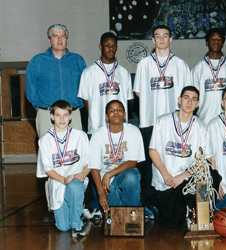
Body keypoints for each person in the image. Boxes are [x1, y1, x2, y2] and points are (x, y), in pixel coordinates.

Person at [134, 24, 192, 208]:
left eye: (165, 36)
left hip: (174, 122)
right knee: (152, 162)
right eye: (157, 36)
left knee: (173, 159)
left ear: (170, 39)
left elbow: (187, 93)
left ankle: (175, 198)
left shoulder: (180, 64)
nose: (161, 39)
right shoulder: (144, 64)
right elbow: (138, 93)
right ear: (153, 40)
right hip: (150, 121)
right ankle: (152, 201)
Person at [149, 86, 212, 228]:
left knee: (210, 174)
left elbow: (205, 160)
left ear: (198, 104)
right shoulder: (162, 121)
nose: (189, 102)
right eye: (186, 98)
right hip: (166, 179)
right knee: (172, 223)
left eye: (194, 99)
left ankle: (195, 212)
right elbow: (153, 151)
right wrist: (166, 175)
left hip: (188, 178)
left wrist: (183, 176)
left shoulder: (201, 127)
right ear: (179, 100)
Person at [36, 100, 90, 237]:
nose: (62, 119)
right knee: (63, 227)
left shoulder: (80, 136)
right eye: (58, 115)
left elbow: (90, 162)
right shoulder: (44, 140)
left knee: (75, 186)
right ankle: (78, 211)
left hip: (77, 180)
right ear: (52, 116)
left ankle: (77, 225)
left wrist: (83, 174)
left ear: (71, 116)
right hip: (58, 182)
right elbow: (47, 169)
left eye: (65, 115)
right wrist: (64, 179)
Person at [26, 24, 86, 137]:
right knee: (49, 153)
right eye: (55, 36)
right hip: (47, 115)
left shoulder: (78, 60)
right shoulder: (37, 61)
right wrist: (42, 109)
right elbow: (31, 91)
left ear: (67, 40)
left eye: (63, 36)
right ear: (49, 40)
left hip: (73, 115)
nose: (59, 39)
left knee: (75, 152)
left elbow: (86, 88)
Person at [89, 100, 145, 212]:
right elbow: (94, 167)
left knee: (132, 175)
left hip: (123, 175)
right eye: (111, 110)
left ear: (125, 114)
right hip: (105, 184)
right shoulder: (97, 135)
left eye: (119, 110)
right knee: (115, 217)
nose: (116, 113)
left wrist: (109, 174)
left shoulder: (133, 131)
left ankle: (132, 214)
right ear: (106, 116)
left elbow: (132, 162)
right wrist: (101, 194)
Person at [78, 32, 134, 136]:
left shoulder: (124, 73)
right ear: (100, 47)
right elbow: (85, 100)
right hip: (96, 127)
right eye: (107, 46)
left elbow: (127, 101)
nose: (111, 49)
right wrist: (94, 117)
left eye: (113, 46)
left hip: (118, 128)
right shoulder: (88, 72)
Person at [191, 28, 226, 125]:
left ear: (223, 44)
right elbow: (193, 97)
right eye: (213, 39)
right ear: (207, 43)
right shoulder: (198, 68)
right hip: (204, 120)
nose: (216, 41)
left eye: (219, 39)